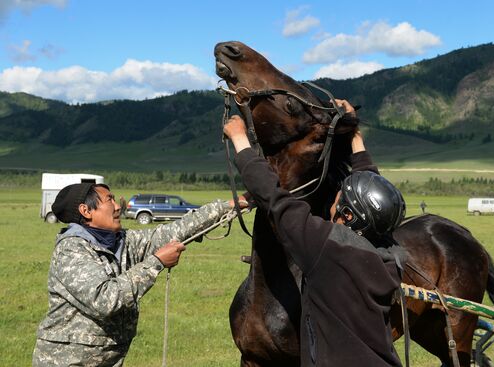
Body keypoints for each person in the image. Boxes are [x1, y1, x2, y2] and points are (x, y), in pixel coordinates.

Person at [224, 99, 406, 367]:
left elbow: (275, 200)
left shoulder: (327, 250)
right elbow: (375, 197)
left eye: (339, 197)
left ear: (347, 215)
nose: (334, 199)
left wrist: (241, 142)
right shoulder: (390, 256)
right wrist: (355, 135)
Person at [32, 183, 238, 366]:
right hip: (67, 361)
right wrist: (156, 263)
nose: (118, 206)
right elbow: (105, 299)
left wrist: (232, 205)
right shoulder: (72, 249)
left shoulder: (122, 240)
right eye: (109, 200)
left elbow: (173, 232)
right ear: (86, 211)